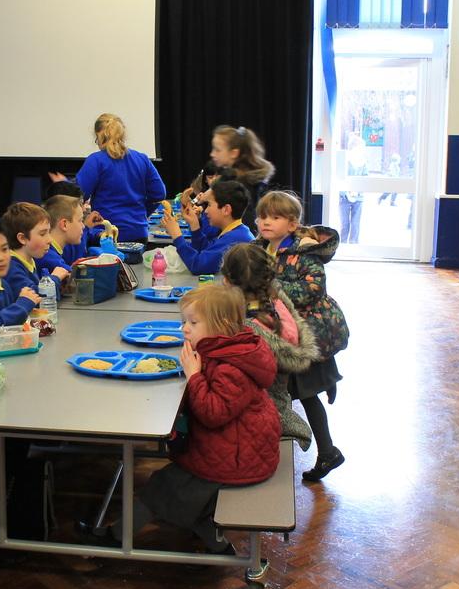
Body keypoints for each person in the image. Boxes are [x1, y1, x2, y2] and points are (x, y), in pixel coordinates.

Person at [85, 284, 279, 553]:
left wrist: (194, 375)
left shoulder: (232, 367)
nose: (184, 329)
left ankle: (115, 538)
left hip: (238, 461)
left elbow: (213, 413)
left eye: (193, 323)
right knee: (180, 495)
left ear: (221, 325)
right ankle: (220, 549)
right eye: (185, 321)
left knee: (162, 489)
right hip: (236, 449)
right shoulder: (228, 349)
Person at [254, 191, 350, 481]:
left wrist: (272, 288)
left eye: (275, 217)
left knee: (306, 394)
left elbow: (312, 289)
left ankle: (327, 452)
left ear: (292, 224)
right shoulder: (261, 248)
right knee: (287, 393)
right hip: (282, 333)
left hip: (306, 334)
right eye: (262, 216)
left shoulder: (305, 253)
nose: (266, 222)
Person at [218, 243, 320, 447]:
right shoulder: (277, 307)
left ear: (226, 281)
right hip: (277, 403)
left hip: (258, 415)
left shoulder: (247, 330)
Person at [73, 113, 166, 242]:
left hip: (105, 233)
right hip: (138, 232)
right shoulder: (142, 159)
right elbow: (159, 194)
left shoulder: (96, 160)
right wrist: (141, 213)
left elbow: (77, 195)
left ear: (100, 136)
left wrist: (64, 184)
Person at [160, 180, 255, 275]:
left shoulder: (235, 239)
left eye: (209, 205)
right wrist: (195, 226)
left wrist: (176, 235)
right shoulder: (236, 232)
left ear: (226, 209)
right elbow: (206, 251)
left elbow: (198, 266)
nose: (205, 211)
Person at [208, 125, 275, 228]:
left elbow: (246, 221)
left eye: (217, 150)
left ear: (234, 153)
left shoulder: (238, 184)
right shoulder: (236, 178)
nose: (212, 154)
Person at [3, 202, 69, 298]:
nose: (50, 240)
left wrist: (60, 286)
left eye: (49, 232)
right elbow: (33, 298)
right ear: (22, 238)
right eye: (42, 234)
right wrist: (55, 279)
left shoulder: (30, 260)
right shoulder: (12, 268)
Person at [39, 194, 85, 276]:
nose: (83, 226)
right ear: (64, 224)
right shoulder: (48, 257)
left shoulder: (56, 251)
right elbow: (76, 277)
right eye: (80, 220)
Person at [338, 133, 368, 244]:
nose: (360, 150)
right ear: (352, 148)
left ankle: (354, 244)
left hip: (358, 198)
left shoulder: (363, 163)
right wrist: (346, 192)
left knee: (355, 224)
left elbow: (365, 178)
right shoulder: (345, 161)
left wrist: (358, 191)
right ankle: (343, 244)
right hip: (344, 197)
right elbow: (340, 178)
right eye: (358, 148)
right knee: (344, 224)